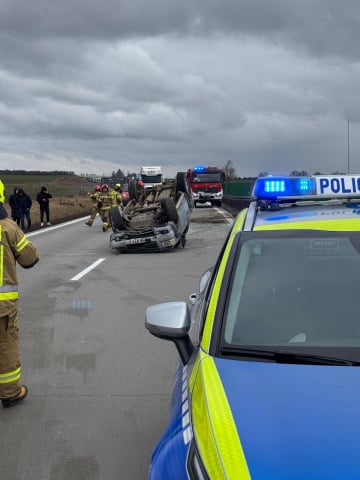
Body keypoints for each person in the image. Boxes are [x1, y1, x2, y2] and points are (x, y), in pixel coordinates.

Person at [0, 179, 40, 408]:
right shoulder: (7, 228)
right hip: (2, 308)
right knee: (5, 346)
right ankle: (10, 392)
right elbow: (30, 258)